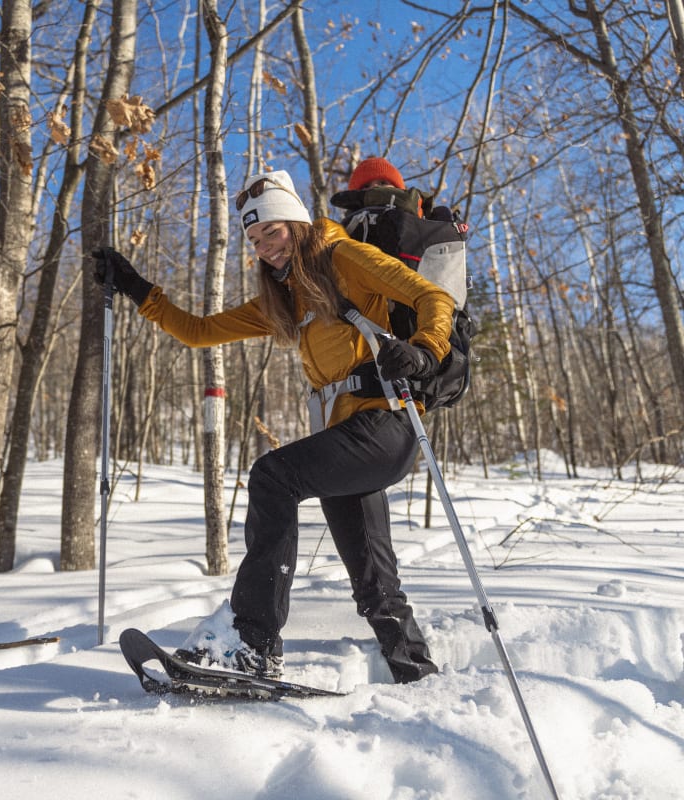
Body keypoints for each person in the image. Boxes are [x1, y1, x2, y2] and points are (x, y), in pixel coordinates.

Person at [93, 169, 455, 684]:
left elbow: (433, 298)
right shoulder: (286, 298)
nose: (265, 247)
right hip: (349, 437)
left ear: (298, 224)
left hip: (386, 424)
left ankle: (253, 641)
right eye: (255, 239)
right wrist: (134, 287)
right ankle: (414, 670)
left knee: (273, 477)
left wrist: (423, 352)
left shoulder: (343, 257)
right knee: (372, 577)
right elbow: (199, 332)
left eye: (273, 232)